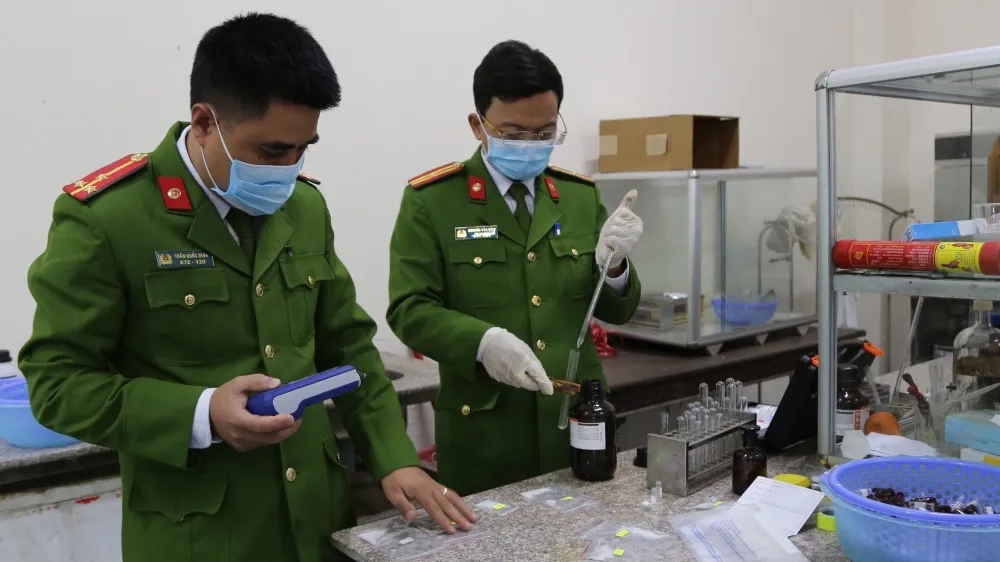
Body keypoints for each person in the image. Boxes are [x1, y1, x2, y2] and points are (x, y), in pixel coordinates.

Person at [19, 13, 474, 562]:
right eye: (272, 151)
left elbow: (348, 346)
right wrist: (202, 412)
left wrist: (394, 458)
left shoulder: (304, 206)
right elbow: (57, 384)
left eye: (304, 148)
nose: (289, 168)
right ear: (204, 122)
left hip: (316, 520)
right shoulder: (109, 218)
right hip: (200, 535)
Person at [386, 39, 645, 496]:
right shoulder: (433, 201)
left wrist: (616, 266)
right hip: (487, 437)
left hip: (575, 426)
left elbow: (616, 312)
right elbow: (409, 310)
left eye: (545, 134)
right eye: (513, 134)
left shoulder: (579, 197)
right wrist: (482, 343)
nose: (530, 146)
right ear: (478, 125)